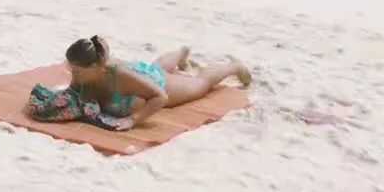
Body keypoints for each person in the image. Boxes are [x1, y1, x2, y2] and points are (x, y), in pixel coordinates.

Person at [64, 36, 251, 129]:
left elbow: (161, 97)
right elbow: (72, 92)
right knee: (158, 66)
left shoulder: (120, 76)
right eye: (72, 69)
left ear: (95, 66)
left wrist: (132, 120)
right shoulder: (81, 74)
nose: (74, 74)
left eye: (77, 71)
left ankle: (234, 66)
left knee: (200, 84)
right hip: (139, 75)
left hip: (155, 81)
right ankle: (181, 53)